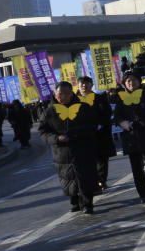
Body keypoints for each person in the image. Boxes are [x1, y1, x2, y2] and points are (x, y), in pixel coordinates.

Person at [38, 82, 99, 214]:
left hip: (82, 147)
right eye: (61, 94)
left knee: (85, 176)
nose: (64, 97)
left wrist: (76, 131)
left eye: (67, 94)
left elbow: (93, 124)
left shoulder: (83, 107)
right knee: (68, 177)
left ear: (72, 93)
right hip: (62, 152)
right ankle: (75, 201)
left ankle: (87, 203)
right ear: (55, 94)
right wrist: (56, 139)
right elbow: (43, 132)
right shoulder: (49, 111)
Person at [113, 71, 145, 203]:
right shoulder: (121, 97)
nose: (131, 83)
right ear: (125, 84)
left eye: (134, 80)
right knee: (136, 167)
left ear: (139, 81)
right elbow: (117, 116)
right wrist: (122, 123)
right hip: (131, 136)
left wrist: (144, 121)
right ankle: (144, 193)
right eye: (128, 81)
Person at [76, 76, 116, 191]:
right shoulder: (74, 100)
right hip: (83, 136)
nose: (84, 85)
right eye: (82, 84)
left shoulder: (99, 98)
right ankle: (93, 181)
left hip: (100, 133)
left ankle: (101, 181)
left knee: (102, 159)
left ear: (92, 85)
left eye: (87, 83)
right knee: (88, 161)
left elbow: (107, 112)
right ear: (78, 86)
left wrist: (99, 124)